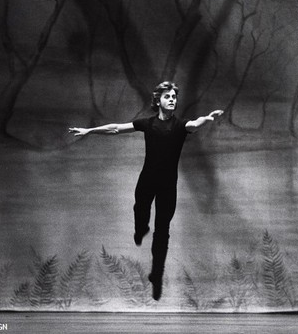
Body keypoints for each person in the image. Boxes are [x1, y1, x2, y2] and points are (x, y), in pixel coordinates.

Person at [69, 81, 223, 300]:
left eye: (174, 97)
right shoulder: (148, 124)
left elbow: (195, 125)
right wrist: (89, 130)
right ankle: (140, 228)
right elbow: (116, 128)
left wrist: (207, 119)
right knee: (140, 208)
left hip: (168, 186)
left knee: (163, 229)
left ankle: (156, 275)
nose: (172, 99)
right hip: (147, 181)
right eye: (167, 96)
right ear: (158, 100)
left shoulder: (180, 125)